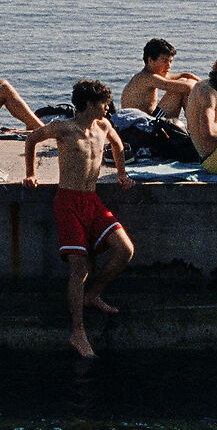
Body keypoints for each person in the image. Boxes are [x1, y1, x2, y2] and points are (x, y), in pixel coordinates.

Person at [22, 79, 135, 360]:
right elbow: (32, 138)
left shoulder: (104, 126)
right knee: (79, 268)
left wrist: (122, 174)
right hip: (68, 201)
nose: (108, 107)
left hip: (92, 200)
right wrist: (31, 173)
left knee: (125, 250)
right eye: (103, 103)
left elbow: (118, 146)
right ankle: (78, 331)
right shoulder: (64, 128)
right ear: (88, 105)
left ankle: (92, 295)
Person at [121, 38, 201, 122]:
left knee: (184, 81)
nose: (169, 66)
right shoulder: (146, 77)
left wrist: (202, 82)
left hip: (146, 120)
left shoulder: (151, 75)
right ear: (150, 60)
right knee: (179, 90)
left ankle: (195, 127)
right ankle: (196, 128)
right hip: (142, 126)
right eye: (164, 61)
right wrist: (203, 87)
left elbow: (185, 75)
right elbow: (187, 87)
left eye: (170, 61)